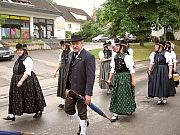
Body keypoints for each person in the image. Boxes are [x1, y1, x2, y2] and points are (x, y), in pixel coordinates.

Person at [3, 43, 46, 121]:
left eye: (20, 50)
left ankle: (38, 110)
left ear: (24, 50)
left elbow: (28, 72)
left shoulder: (27, 59)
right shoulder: (19, 58)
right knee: (15, 97)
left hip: (27, 81)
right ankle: (11, 115)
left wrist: (21, 81)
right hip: (16, 79)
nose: (19, 51)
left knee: (30, 96)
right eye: (18, 50)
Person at [64, 34, 95, 135]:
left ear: (82, 43)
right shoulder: (70, 54)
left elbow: (91, 77)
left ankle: (83, 131)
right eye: (73, 44)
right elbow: (68, 72)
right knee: (68, 109)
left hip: (82, 91)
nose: (75, 46)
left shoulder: (88, 56)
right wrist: (67, 88)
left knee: (82, 112)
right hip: (71, 90)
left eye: (77, 43)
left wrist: (88, 94)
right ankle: (84, 122)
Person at [107, 38, 136, 122]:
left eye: (117, 46)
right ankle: (115, 113)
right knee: (116, 95)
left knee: (127, 94)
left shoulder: (127, 57)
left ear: (122, 47)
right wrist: (109, 79)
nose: (114, 47)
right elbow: (112, 69)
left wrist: (133, 80)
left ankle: (128, 109)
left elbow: (131, 69)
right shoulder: (115, 57)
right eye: (114, 45)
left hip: (126, 77)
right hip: (118, 78)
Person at [53, 40, 71, 109]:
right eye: (61, 46)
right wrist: (55, 71)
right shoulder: (61, 54)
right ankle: (63, 102)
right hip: (62, 72)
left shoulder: (71, 53)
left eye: (63, 45)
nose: (62, 47)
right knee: (62, 86)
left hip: (69, 71)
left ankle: (71, 100)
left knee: (69, 86)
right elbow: (60, 63)